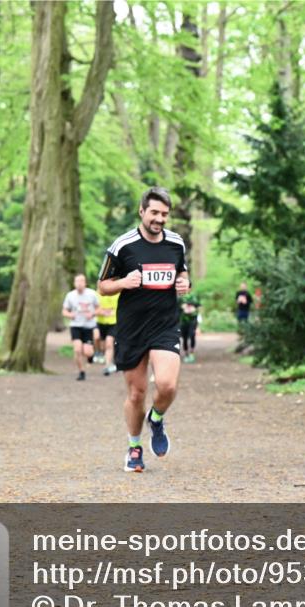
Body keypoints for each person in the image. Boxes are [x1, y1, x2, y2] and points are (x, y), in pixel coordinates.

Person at [98, 187, 189, 472]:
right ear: (142, 211)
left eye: (164, 214)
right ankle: (134, 448)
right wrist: (124, 282)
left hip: (165, 325)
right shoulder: (122, 245)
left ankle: (157, 418)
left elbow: (182, 271)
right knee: (136, 393)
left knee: (167, 385)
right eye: (154, 213)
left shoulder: (176, 243)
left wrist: (185, 282)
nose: (159, 219)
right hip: (132, 328)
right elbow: (103, 285)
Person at [62, 274, 101, 381]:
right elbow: (64, 311)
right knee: (77, 349)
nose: (79, 283)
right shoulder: (70, 295)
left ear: (85, 283)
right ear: (74, 283)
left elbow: (99, 309)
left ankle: (90, 356)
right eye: (77, 281)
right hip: (76, 326)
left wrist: (92, 314)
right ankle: (81, 371)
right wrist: (71, 315)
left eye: (81, 281)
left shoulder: (92, 294)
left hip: (89, 326)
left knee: (88, 352)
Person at [97, 292, 119, 375]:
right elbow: (92, 309)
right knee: (103, 346)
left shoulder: (118, 293)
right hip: (101, 323)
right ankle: (108, 359)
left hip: (113, 323)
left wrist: (114, 312)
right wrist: (101, 312)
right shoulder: (97, 295)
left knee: (109, 343)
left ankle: (107, 366)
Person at [179, 291, 201, 363]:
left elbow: (199, 307)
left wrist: (193, 309)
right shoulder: (180, 298)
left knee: (192, 335)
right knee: (184, 339)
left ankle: (191, 354)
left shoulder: (193, 297)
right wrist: (182, 308)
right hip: (183, 322)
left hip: (193, 321)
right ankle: (186, 354)